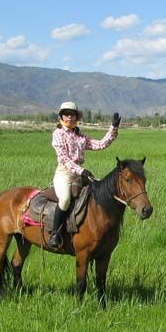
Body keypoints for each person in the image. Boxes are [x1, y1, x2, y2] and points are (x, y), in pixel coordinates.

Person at [50, 102, 121, 249]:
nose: (69, 117)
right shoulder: (58, 134)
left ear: (76, 117)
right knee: (64, 199)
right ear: (61, 117)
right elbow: (64, 158)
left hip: (80, 174)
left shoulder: (81, 137)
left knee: (100, 194)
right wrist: (81, 171)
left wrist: (113, 128)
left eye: (72, 114)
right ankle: (55, 234)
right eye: (66, 114)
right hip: (65, 174)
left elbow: (101, 144)